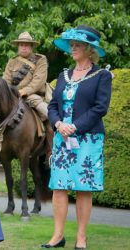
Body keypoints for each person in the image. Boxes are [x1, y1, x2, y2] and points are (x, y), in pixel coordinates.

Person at [42, 25, 112, 249]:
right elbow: (53, 106)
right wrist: (59, 123)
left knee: (84, 187)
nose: (72, 48)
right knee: (59, 186)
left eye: (77, 45)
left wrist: (75, 126)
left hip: (88, 139)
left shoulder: (102, 76)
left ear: (90, 49)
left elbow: (100, 108)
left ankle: (81, 238)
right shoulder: (62, 75)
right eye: (71, 45)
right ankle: (57, 236)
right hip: (63, 137)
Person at [3, 31, 49, 121]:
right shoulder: (12, 61)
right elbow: (6, 80)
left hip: (33, 96)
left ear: (32, 47)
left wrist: (24, 91)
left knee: (49, 115)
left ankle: (59, 129)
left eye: (27, 45)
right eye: (21, 45)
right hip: (12, 97)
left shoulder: (40, 59)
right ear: (18, 47)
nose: (24, 48)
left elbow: (38, 81)